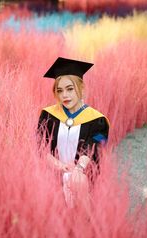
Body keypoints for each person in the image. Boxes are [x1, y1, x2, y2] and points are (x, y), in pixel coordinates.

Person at [37, 57, 109, 206]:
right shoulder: (48, 115)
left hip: (83, 178)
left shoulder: (97, 119)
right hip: (53, 175)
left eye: (70, 89)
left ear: (81, 89)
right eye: (60, 90)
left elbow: (95, 145)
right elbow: (40, 145)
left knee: (82, 211)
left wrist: (78, 169)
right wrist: (59, 166)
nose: (64, 95)